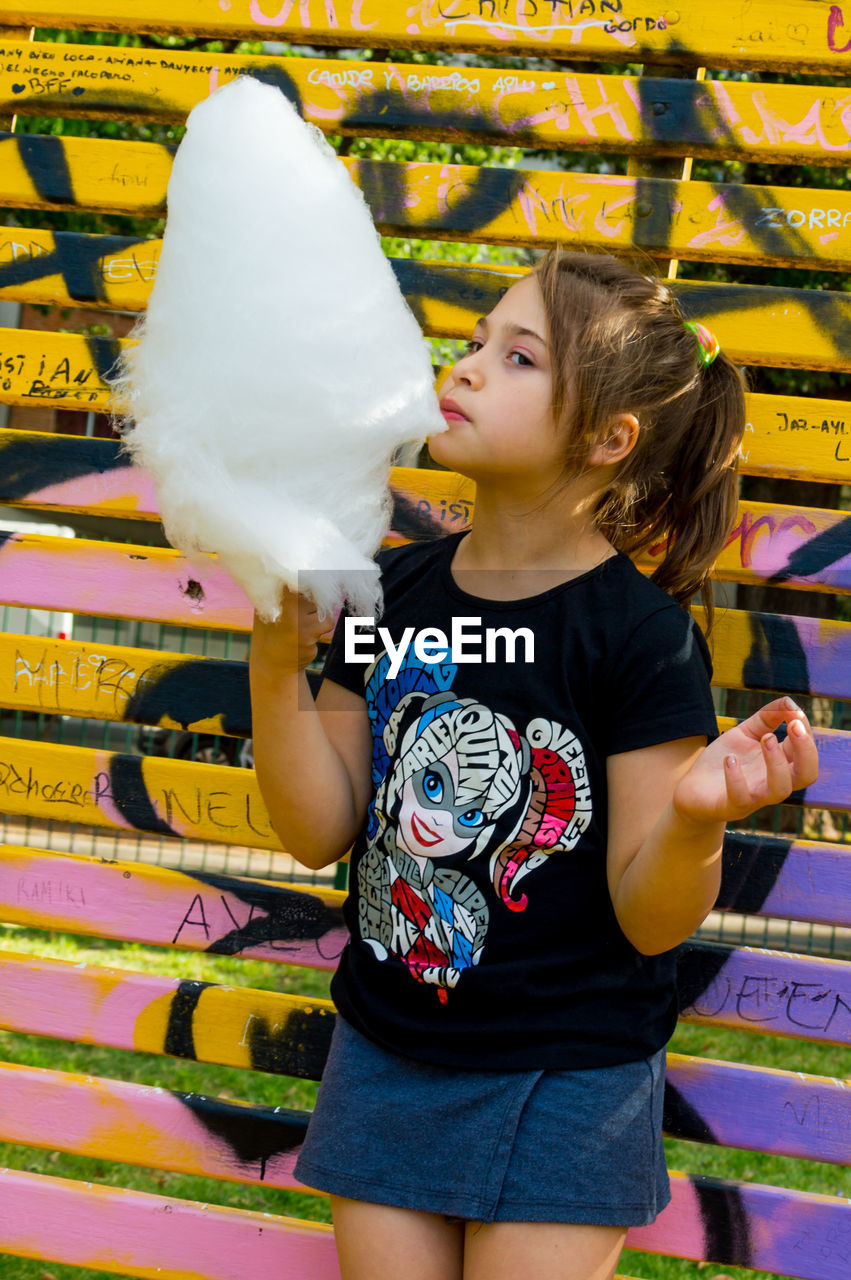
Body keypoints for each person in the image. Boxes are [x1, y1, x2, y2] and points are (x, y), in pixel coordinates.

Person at [249, 250, 819, 1280]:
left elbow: (649, 917)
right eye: (472, 344)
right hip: (386, 1053)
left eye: (517, 357)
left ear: (607, 439)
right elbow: (313, 827)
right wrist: (274, 659)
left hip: (566, 1074)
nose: (463, 369)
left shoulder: (637, 640)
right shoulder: (385, 594)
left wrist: (692, 819)